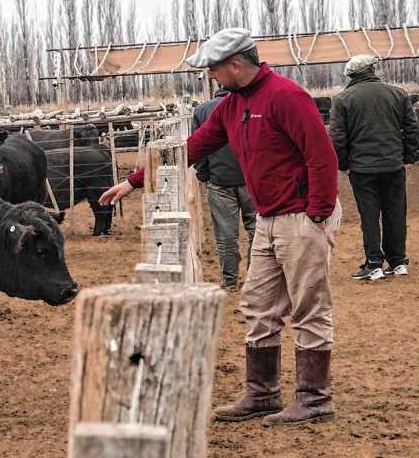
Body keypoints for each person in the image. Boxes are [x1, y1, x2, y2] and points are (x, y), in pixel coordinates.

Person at [100, 28, 341, 426]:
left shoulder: (286, 97)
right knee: (258, 304)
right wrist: (135, 180)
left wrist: (317, 212)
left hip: (300, 217)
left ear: (235, 64)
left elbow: (322, 156)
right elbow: (191, 147)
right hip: (269, 217)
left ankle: (315, 398)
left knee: (309, 306)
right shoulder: (231, 106)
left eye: (213, 67)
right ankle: (262, 393)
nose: (210, 74)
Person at [329, 55, 419, 280]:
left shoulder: (343, 99)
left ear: (352, 75)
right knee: (396, 212)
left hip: (362, 170)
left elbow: (338, 137)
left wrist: (344, 164)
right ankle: (398, 262)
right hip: (393, 166)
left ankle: (374, 263)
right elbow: (412, 129)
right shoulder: (398, 94)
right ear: (371, 70)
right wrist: (408, 156)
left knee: (369, 216)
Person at [192, 86, 257, 289]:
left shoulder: (202, 111)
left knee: (226, 235)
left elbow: (198, 147)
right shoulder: (248, 105)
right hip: (251, 180)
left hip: (220, 182)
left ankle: (230, 281)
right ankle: (257, 278)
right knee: (257, 230)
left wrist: (204, 175)